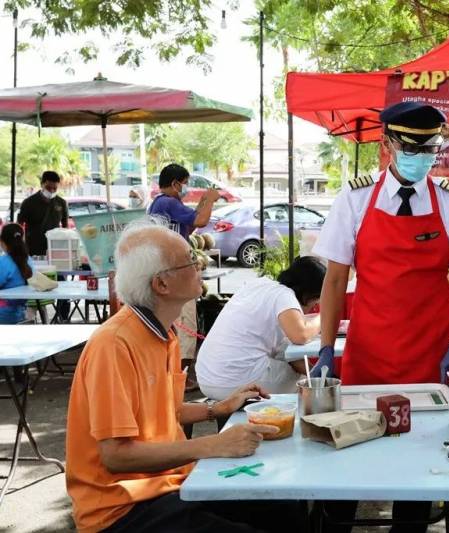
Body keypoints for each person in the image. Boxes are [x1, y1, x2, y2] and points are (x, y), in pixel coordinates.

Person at [311, 101, 449, 532]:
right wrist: (325, 347)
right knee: (349, 462)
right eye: (412, 148)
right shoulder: (353, 201)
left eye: (429, 149)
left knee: (420, 468)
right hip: (367, 355)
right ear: (388, 144)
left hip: (430, 357)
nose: (420, 157)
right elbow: (334, 282)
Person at [65, 221, 306, 533]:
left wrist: (216, 409)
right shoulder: (115, 344)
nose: (200, 264)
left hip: (170, 484)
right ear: (161, 285)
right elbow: (116, 455)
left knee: (283, 503)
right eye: (190, 260)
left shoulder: (163, 331)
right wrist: (216, 444)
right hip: (122, 510)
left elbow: (165, 410)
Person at [197, 256, 326, 398]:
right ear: (309, 294)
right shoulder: (284, 296)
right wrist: (325, 316)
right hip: (235, 381)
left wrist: (319, 374)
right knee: (306, 387)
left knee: (304, 376)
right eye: (316, 302)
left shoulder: (258, 285)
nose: (314, 307)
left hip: (207, 378)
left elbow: (290, 356)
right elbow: (301, 335)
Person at [148, 164, 220, 389]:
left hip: (167, 270)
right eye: (185, 183)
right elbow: (200, 221)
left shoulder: (162, 204)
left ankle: (176, 372)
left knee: (175, 323)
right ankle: (183, 375)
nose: (186, 187)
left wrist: (203, 204)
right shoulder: (168, 202)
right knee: (185, 321)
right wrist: (210, 200)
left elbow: (191, 221)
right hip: (175, 272)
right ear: (175, 183)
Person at [17, 170, 70, 321]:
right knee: (34, 286)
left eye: (55, 188)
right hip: (34, 252)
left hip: (57, 253)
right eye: (49, 188)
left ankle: (63, 318)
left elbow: (65, 229)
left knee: (62, 286)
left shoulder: (61, 203)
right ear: (42, 185)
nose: (51, 191)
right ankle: (31, 318)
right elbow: (19, 225)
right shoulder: (29, 203)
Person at [0, 223, 33, 324]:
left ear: (2, 242)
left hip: (4, 314)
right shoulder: (28, 261)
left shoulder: (3, 262)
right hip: (21, 313)